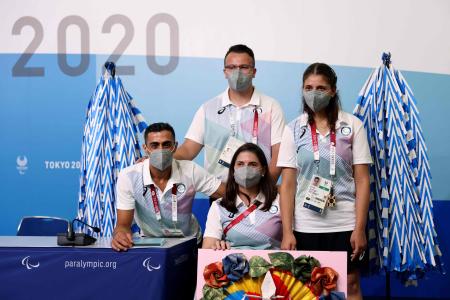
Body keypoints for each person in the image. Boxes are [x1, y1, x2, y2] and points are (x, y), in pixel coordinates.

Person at [277, 63, 371, 300]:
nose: (314, 93)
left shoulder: (352, 126)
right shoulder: (293, 129)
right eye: (308, 87)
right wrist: (287, 231)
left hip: (345, 221)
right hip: (306, 224)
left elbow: (362, 180)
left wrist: (360, 229)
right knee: (307, 288)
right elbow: (287, 185)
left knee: (350, 285)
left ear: (332, 91)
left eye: (321, 87)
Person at [174, 44, 285, 185]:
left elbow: (279, 155)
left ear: (254, 72)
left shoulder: (271, 107)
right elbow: (188, 150)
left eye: (244, 67)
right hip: (220, 193)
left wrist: (265, 189)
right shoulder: (208, 109)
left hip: (259, 194)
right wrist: (159, 159)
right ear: (225, 72)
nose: (237, 72)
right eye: (231, 67)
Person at [112, 122, 225, 251]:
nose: (160, 150)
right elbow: (123, 225)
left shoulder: (190, 170)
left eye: (166, 144)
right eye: (154, 145)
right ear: (145, 148)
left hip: (189, 242)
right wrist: (120, 234)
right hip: (151, 243)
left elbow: (228, 193)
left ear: (175, 146)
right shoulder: (129, 176)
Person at [202, 143, 281, 250]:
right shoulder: (219, 206)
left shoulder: (279, 201)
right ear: (233, 170)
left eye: (253, 164)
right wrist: (217, 247)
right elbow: (207, 249)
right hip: (234, 265)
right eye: (240, 164)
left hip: (274, 264)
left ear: (263, 170)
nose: (246, 169)